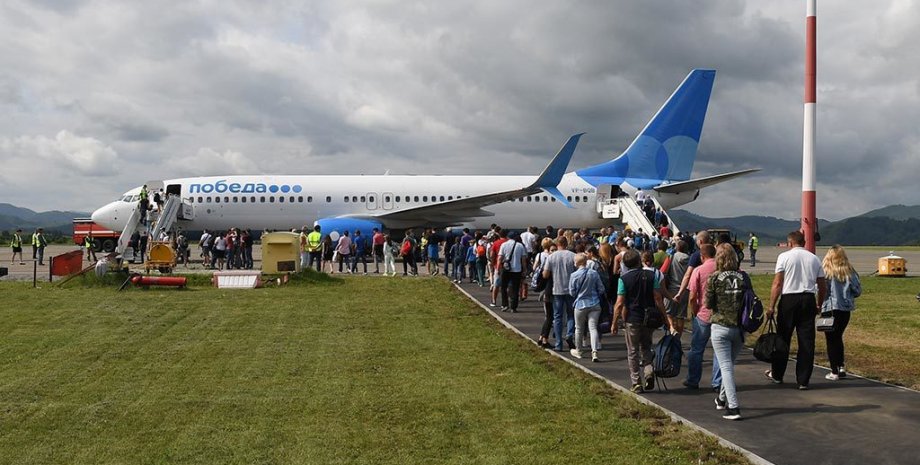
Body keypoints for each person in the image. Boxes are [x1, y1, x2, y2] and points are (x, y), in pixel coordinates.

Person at [766, 231, 828, 390]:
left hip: (789, 298)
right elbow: (822, 285)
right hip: (807, 298)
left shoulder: (784, 257)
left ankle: (778, 374)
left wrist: (771, 305)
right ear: (804, 242)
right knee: (806, 341)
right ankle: (803, 379)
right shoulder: (813, 258)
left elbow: (777, 284)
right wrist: (819, 304)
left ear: (790, 243)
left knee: (783, 338)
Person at [706, 244, 752, 420]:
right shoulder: (744, 277)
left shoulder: (714, 278)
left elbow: (708, 304)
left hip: (720, 325)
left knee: (725, 367)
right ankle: (722, 398)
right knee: (729, 366)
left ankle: (733, 407)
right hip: (739, 327)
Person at [612, 249, 669, 392]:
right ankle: (649, 371)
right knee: (646, 346)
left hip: (632, 317)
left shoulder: (623, 279)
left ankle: (636, 381)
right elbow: (658, 298)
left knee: (632, 351)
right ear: (639, 261)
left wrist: (614, 322)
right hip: (649, 318)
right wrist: (665, 317)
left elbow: (619, 303)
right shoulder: (651, 276)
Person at [821, 245, 862, 380]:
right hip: (845, 309)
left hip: (829, 308)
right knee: (838, 337)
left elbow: (820, 290)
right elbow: (857, 291)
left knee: (831, 339)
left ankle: (834, 370)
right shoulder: (850, 271)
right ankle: (841, 366)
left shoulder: (826, 272)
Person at [685, 243, 721, 391]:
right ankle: (717, 382)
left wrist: (694, 311)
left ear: (702, 256)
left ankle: (693, 379)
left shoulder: (699, 270)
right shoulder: (721, 269)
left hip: (703, 314)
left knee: (697, 349)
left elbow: (693, 296)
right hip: (719, 315)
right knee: (719, 351)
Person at [569, 253, 605, 362]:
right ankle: (594, 351)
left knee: (579, 328)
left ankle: (578, 350)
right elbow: (601, 288)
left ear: (577, 263)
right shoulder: (594, 273)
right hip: (594, 303)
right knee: (593, 328)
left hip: (580, 304)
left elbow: (571, 292)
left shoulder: (574, 275)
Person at [542, 236, 577, 351]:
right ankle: (569, 334)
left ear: (557, 244)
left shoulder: (551, 257)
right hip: (570, 289)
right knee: (571, 315)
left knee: (557, 317)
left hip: (557, 289)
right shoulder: (573, 256)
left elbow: (545, 275)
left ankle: (558, 343)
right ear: (566, 243)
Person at [664, 240, 690, 336]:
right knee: (681, 316)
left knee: (668, 313)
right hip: (684, 290)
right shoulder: (689, 259)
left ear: (677, 247)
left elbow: (665, 271)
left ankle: (672, 328)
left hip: (672, 288)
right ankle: (678, 337)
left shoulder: (672, 257)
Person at [498, 231, 525, 312]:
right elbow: (523, 260)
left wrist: (498, 268)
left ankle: (504, 304)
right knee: (515, 288)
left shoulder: (504, 245)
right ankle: (513, 307)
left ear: (508, 237)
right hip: (517, 269)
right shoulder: (520, 246)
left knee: (503, 287)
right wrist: (524, 269)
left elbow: (500, 258)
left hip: (506, 269)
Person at [535, 238, 555, 348]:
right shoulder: (550, 262)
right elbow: (545, 276)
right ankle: (544, 339)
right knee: (550, 317)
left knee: (549, 317)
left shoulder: (545, 259)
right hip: (550, 291)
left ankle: (541, 337)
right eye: (552, 250)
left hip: (548, 290)